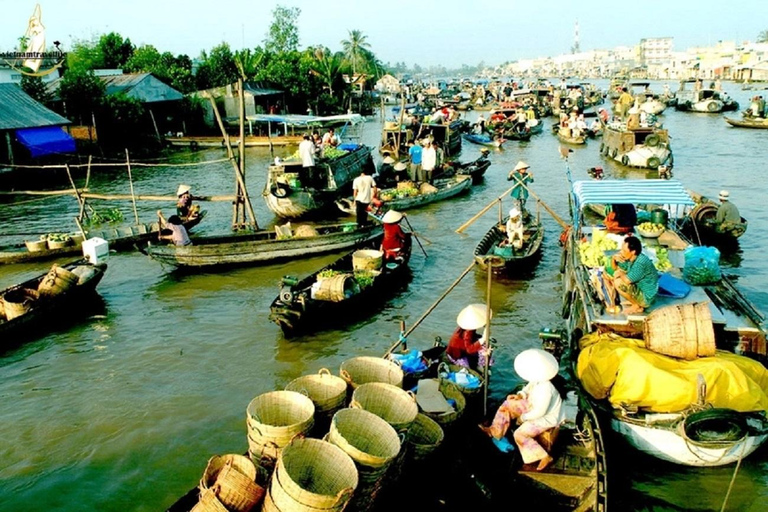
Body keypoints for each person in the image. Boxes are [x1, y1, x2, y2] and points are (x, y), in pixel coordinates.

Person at [479, 348, 564, 471]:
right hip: (532, 406)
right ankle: (495, 431)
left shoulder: (547, 389)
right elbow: (527, 389)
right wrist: (520, 395)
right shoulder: (537, 380)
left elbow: (540, 412)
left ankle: (544, 457)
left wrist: (522, 418)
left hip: (546, 418)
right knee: (508, 404)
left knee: (520, 434)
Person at [605, 236, 658, 315]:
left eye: (624, 250)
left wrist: (621, 273)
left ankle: (637, 306)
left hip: (647, 296)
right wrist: (613, 259)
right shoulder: (631, 257)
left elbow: (627, 280)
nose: (621, 252)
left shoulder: (640, 263)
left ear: (633, 251)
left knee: (618, 282)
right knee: (611, 275)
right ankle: (634, 301)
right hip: (639, 287)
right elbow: (615, 268)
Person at [446, 304, 492, 371]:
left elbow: (472, 338)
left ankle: (479, 363)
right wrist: (483, 338)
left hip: (464, 347)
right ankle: (480, 367)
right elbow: (469, 349)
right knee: (467, 370)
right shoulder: (467, 332)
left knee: (484, 346)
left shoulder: (467, 328)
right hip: (457, 355)